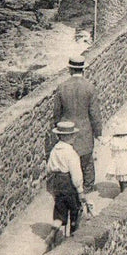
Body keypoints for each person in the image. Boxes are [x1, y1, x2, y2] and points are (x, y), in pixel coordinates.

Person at [52, 55, 101, 192]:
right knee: (86, 162)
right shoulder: (90, 87)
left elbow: (56, 113)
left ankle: (71, 190)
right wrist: (98, 133)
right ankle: (87, 189)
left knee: (69, 162)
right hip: (85, 130)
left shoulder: (62, 87)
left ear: (70, 70)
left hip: (67, 131)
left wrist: (57, 128)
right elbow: (95, 113)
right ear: (83, 70)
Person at [46, 120, 87, 245]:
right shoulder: (70, 153)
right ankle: (72, 235)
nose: (74, 138)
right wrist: (80, 190)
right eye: (72, 135)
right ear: (68, 137)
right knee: (75, 208)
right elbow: (76, 174)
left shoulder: (54, 151)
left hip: (56, 183)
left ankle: (53, 233)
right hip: (68, 183)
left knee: (60, 209)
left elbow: (49, 168)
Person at [104, 113, 127, 193]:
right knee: (126, 176)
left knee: (120, 177)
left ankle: (123, 190)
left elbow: (105, 142)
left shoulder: (114, 139)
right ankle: (125, 192)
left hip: (117, 160)